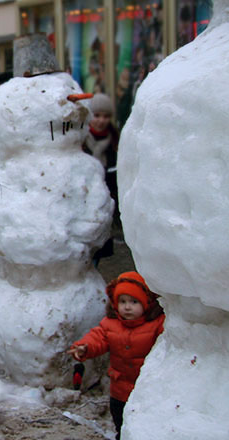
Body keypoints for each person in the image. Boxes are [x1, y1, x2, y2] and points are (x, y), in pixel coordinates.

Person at [67, 271, 165, 440]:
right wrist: (84, 347)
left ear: (146, 302)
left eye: (134, 302)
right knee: (120, 422)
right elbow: (98, 338)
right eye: (122, 302)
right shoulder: (111, 324)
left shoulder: (156, 325)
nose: (127, 307)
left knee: (144, 424)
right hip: (119, 389)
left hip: (145, 389)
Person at [83, 93, 120, 265]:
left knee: (96, 257)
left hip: (104, 204)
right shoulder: (79, 140)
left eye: (106, 116)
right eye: (97, 115)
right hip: (82, 203)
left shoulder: (115, 141)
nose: (101, 120)